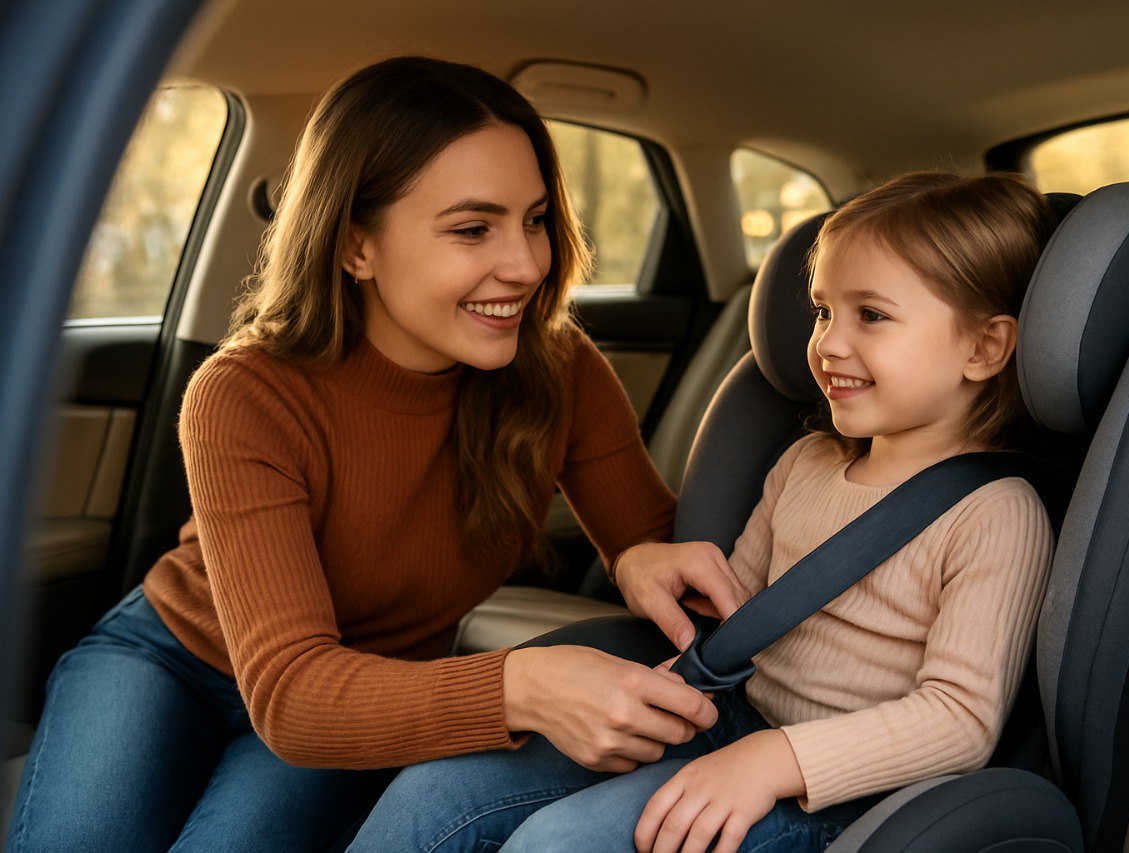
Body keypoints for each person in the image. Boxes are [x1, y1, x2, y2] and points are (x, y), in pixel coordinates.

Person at [4, 56, 745, 853]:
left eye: (534, 219)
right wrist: (518, 686)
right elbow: (289, 690)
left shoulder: (559, 369)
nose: (528, 263)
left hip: (373, 686)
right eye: (472, 228)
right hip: (175, 655)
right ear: (356, 245)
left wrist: (638, 553)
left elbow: (657, 546)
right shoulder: (244, 393)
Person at [347, 171, 1060, 853]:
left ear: (983, 346)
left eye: (871, 316)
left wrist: (769, 761)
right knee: (433, 793)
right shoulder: (806, 461)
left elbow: (959, 720)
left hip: (834, 792)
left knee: (558, 842)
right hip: (724, 716)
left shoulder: (994, 513)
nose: (829, 342)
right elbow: (734, 616)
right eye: (823, 311)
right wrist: (653, 676)